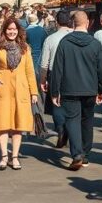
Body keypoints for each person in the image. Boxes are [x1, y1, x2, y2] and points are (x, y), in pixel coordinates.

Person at [50, 10, 102, 170]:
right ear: (88, 23)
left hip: (69, 88)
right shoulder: (95, 43)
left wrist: (55, 91)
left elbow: (57, 68)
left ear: (72, 23)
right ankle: (86, 155)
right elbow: (101, 68)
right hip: (90, 88)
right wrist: (101, 89)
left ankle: (77, 154)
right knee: (87, 120)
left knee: (72, 120)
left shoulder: (65, 42)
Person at [0, 19, 39, 170]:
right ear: (4, 30)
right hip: (2, 89)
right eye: (9, 29)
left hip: (21, 90)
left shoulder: (25, 48)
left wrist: (34, 92)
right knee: (1, 123)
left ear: (19, 31)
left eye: (14, 29)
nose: (12, 32)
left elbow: (30, 71)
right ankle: (3, 155)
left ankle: (14, 156)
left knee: (18, 124)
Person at [40, 10, 74, 147]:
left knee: (57, 104)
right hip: (73, 74)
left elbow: (44, 63)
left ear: (57, 22)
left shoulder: (51, 38)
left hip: (54, 73)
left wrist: (42, 80)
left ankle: (60, 128)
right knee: (72, 105)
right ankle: (69, 130)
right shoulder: (75, 36)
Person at [25, 13, 47, 77]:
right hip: (40, 55)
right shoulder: (42, 30)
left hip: (30, 55)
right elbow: (45, 43)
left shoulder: (26, 31)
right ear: (37, 20)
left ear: (28, 21)